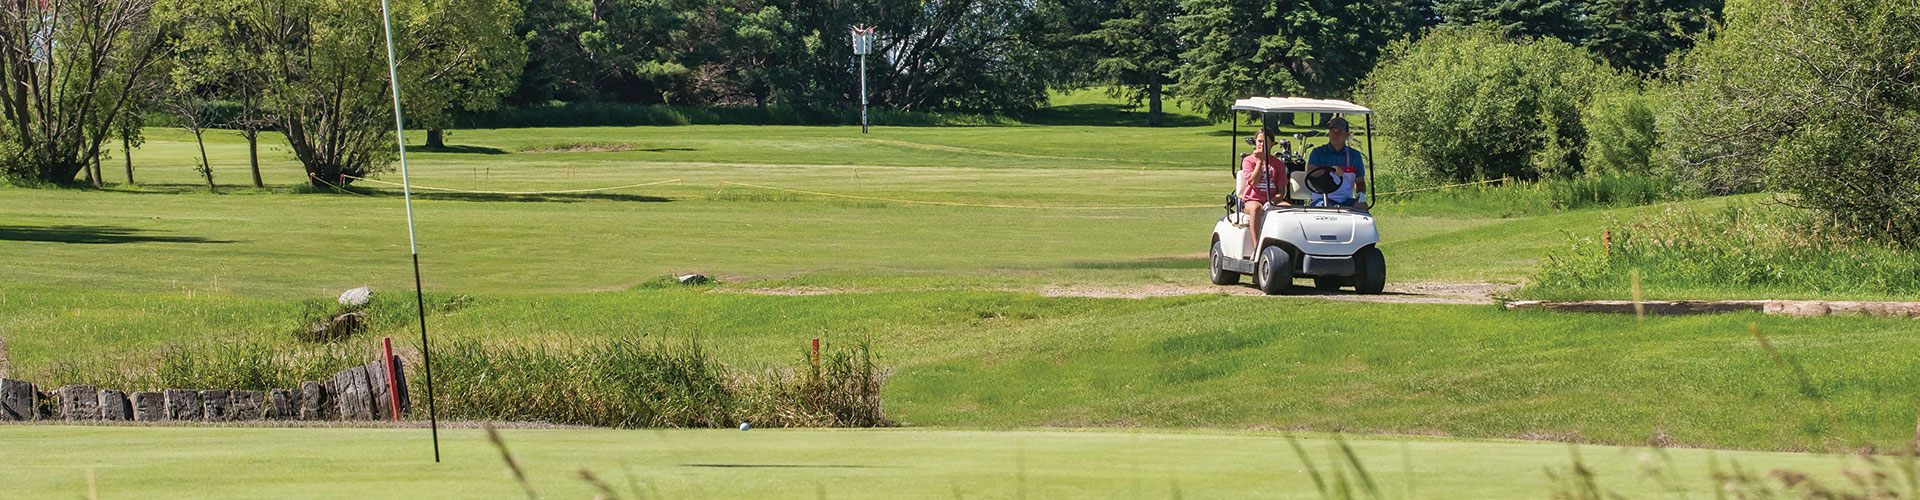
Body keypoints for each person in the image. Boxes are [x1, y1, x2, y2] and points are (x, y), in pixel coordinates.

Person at [1235, 127, 1290, 256]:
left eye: (1265, 141)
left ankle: (1285, 248)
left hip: (1271, 200)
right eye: (1259, 141)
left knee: (1289, 210)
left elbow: (1281, 191)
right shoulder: (1248, 161)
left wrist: (1273, 201)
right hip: (1251, 200)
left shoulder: (1278, 164)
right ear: (1255, 142)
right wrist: (1259, 161)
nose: (1262, 144)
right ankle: (1258, 248)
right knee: (1256, 209)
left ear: (1272, 144)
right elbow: (1253, 182)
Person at [1306, 116, 1368, 209]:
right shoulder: (1318, 152)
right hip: (1321, 198)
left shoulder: (1354, 156)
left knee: (1362, 206)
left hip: (1345, 200)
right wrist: (1330, 171)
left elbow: (1360, 182)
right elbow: (1311, 174)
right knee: (1329, 207)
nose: (1335, 135)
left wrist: (1360, 194)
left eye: (1339, 132)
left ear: (1346, 135)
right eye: (1332, 132)